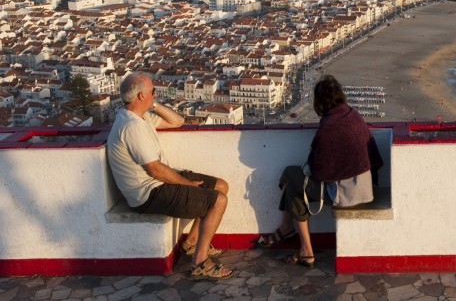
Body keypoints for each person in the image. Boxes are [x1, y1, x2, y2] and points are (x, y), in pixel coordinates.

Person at [106, 71, 232, 280]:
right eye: (153, 91)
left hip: (157, 182)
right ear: (140, 96)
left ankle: (192, 243)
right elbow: (154, 170)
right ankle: (200, 262)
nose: (156, 94)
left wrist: (153, 104)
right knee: (219, 200)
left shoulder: (140, 117)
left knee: (221, 186)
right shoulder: (131, 126)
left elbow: (177, 121)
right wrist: (187, 184)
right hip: (148, 193)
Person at [258, 75, 382, 268]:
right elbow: (372, 154)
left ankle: (286, 229)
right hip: (364, 187)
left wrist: (312, 161)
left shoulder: (329, 126)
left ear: (320, 101)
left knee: (290, 175)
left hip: (345, 194)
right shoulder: (353, 114)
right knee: (294, 193)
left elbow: (320, 171)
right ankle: (305, 250)